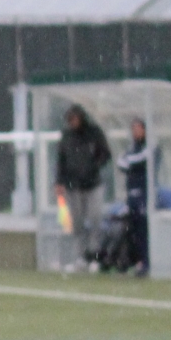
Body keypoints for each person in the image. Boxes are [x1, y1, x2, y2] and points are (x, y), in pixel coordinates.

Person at [54, 104, 111, 272]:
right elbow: (61, 160)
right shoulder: (66, 136)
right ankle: (81, 256)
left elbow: (105, 154)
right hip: (74, 186)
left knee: (95, 220)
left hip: (93, 184)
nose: (73, 123)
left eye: (75, 119)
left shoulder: (94, 133)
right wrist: (59, 181)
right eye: (70, 120)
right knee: (77, 223)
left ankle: (95, 256)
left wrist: (93, 166)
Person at [116, 116, 153, 275]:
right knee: (132, 230)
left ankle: (146, 262)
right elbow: (121, 163)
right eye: (133, 129)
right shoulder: (132, 148)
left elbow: (138, 161)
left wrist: (129, 162)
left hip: (144, 194)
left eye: (138, 129)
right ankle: (135, 262)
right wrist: (129, 162)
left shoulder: (150, 147)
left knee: (144, 229)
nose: (135, 132)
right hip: (131, 195)